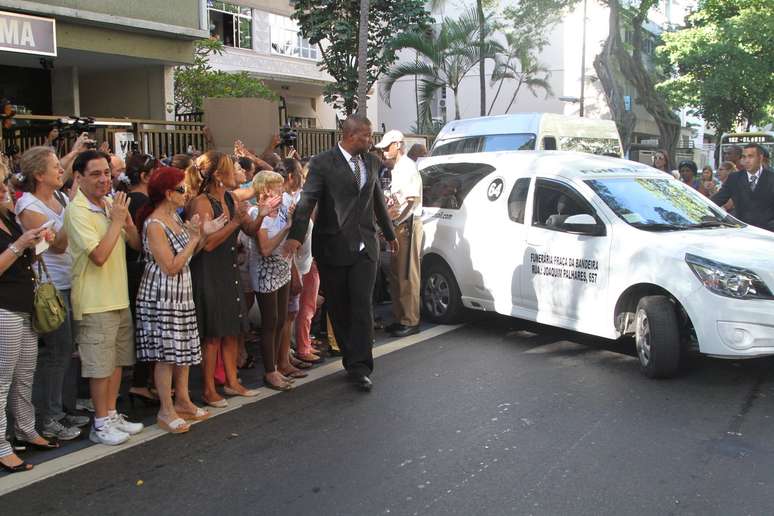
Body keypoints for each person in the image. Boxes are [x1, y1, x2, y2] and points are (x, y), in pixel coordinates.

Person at [285, 115, 398, 392]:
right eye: (366, 136)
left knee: (361, 306)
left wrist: (390, 233)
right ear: (350, 135)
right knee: (339, 308)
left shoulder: (371, 162)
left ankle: (360, 367)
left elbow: (377, 200)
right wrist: (296, 237)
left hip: (365, 247)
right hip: (333, 247)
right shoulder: (323, 163)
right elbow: (307, 200)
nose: (370, 141)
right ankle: (350, 357)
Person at [135, 167, 225, 434]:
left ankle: (183, 401)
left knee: (183, 350)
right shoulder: (154, 224)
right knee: (165, 354)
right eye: (182, 189)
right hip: (162, 295)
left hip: (180, 293)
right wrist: (197, 237)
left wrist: (203, 234)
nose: (187, 194)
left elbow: (188, 254)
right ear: (168, 193)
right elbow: (171, 265)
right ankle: (166, 409)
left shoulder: (175, 217)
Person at [64, 150, 145, 446]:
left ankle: (110, 414)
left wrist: (126, 223)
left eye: (107, 173)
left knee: (116, 362)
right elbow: (99, 255)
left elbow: (135, 244)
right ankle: (100, 423)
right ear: (79, 177)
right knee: (99, 367)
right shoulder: (77, 210)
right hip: (95, 300)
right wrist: (116, 222)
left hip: (118, 297)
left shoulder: (112, 204)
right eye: (95, 174)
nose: (103, 179)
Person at [14, 147, 89, 442]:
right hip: (50, 287)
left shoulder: (58, 198)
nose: (62, 171)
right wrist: (73, 210)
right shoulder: (28, 206)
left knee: (67, 351)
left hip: (70, 281)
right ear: (38, 174)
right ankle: (49, 417)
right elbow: (57, 244)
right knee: (55, 354)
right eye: (56, 167)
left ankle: (62, 407)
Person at [187, 151, 261, 407]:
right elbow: (206, 245)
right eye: (232, 168)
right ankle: (209, 389)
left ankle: (232, 381)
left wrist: (262, 213)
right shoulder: (202, 202)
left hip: (228, 269)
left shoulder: (230, 198)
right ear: (218, 175)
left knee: (232, 329)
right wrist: (235, 223)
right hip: (209, 272)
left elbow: (249, 229)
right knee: (213, 334)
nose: (238, 171)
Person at [0, 161, 59, 474]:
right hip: (4, 308)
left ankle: (25, 428)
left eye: (5, 187)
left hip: (23, 305)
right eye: (0, 189)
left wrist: (36, 239)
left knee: (25, 374)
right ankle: (1, 442)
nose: (6, 193)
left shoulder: (8, 216)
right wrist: (20, 244)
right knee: (2, 380)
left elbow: (24, 253)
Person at [252, 170, 296, 390]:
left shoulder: (280, 209)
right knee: (270, 322)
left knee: (280, 320)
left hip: (283, 269)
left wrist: (292, 221)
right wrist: (287, 228)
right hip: (266, 273)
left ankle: (278, 366)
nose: (281, 189)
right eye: (277, 186)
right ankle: (270, 371)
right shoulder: (256, 213)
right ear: (266, 189)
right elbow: (266, 249)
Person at [376, 130, 423, 338]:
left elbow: (412, 201)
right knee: (396, 274)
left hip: (408, 224)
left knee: (407, 273)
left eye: (387, 147)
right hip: (398, 224)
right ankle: (400, 316)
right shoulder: (396, 168)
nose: (384, 151)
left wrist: (396, 219)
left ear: (398, 145)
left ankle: (410, 319)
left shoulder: (407, 167)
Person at [121, 153, 159, 406]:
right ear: (145, 176)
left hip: (130, 268)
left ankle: (141, 381)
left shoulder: (128, 200)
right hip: (140, 269)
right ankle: (141, 382)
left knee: (143, 327)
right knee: (148, 328)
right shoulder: (143, 202)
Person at [712, 143, 774, 231]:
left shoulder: (771, 178)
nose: (747, 160)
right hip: (743, 232)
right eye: (744, 157)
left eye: (750, 156)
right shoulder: (734, 178)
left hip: (768, 233)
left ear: (760, 158)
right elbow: (717, 200)